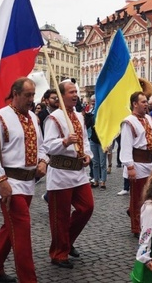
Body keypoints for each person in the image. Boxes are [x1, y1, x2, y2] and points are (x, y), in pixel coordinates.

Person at [0, 77, 47, 283]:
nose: (31, 99)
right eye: (27, 95)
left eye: (33, 95)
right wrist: (1, 181)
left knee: (9, 227)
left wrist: (43, 162)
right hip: (10, 183)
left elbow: (42, 147)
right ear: (15, 94)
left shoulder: (33, 119)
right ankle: (29, 279)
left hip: (28, 184)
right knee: (21, 229)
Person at [43, 81, 94, 269]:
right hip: (60, 173)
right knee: (60, 216)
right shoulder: (54, 118)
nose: (75, 95)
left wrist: (88, 154)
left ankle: (67, 240)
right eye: (71, 92)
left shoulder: (79, 116)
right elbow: (47, 145)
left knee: (87, 207)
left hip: (79, 172)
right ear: (62, 96)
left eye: (76, 92)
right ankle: (58, 253)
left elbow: (85, 139)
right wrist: (64, 142)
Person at [121, 91, 152, 237]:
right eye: (143, 102)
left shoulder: (148, 118)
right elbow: (126, 144)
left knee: (149, 193)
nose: (146, 104)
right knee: (138, 196)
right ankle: (137, 226)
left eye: (146, 101)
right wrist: (130, 167)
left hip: (149, 162)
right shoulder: (128, 121)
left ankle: (137, 214)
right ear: (134, 104)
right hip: (137, 163)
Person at [84, 95, 107, 190]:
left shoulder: (103, 112)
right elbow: (87, 124)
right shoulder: (91, 112)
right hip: (93, 140)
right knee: (95, 162)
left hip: (102, 141)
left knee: (102, 163)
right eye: (92, 101)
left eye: (95, 101)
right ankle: (96, 180)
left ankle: (103, 181)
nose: (93, 103)